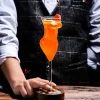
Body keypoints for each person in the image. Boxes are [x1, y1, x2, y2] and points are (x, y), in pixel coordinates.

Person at [0, 0, 100, 98]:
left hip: (79, 91)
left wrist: (82, 67)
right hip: (27, 93)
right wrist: (18, 81)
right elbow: (5, 36)